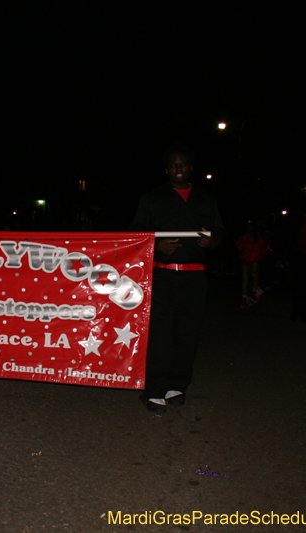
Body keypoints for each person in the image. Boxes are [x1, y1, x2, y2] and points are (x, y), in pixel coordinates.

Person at [129, 144, 225, 412]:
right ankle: (154, 391)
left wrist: (212, 241)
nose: (178, 169)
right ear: (166, 169)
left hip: (195, 278)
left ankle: (177, 386)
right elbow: (136, 234)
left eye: (183, 164)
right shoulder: (152, 198)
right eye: (173, 165)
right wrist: (156, 246)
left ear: (191, 167)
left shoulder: (205, 199)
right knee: (160, 336)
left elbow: (220, 232)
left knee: (187, 335)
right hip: (162, 275)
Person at [236, 221, 268, 309]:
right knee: (245, 278)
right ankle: (245, 297)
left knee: (255, 276)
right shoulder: (242, 237)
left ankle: (255, 292)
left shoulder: (257, 237)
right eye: (248, 226)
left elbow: (262, 246)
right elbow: (239, 247)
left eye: (251, 226)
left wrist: (259, 255)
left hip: (254, 259)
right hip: (244, 259)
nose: (249, 228)